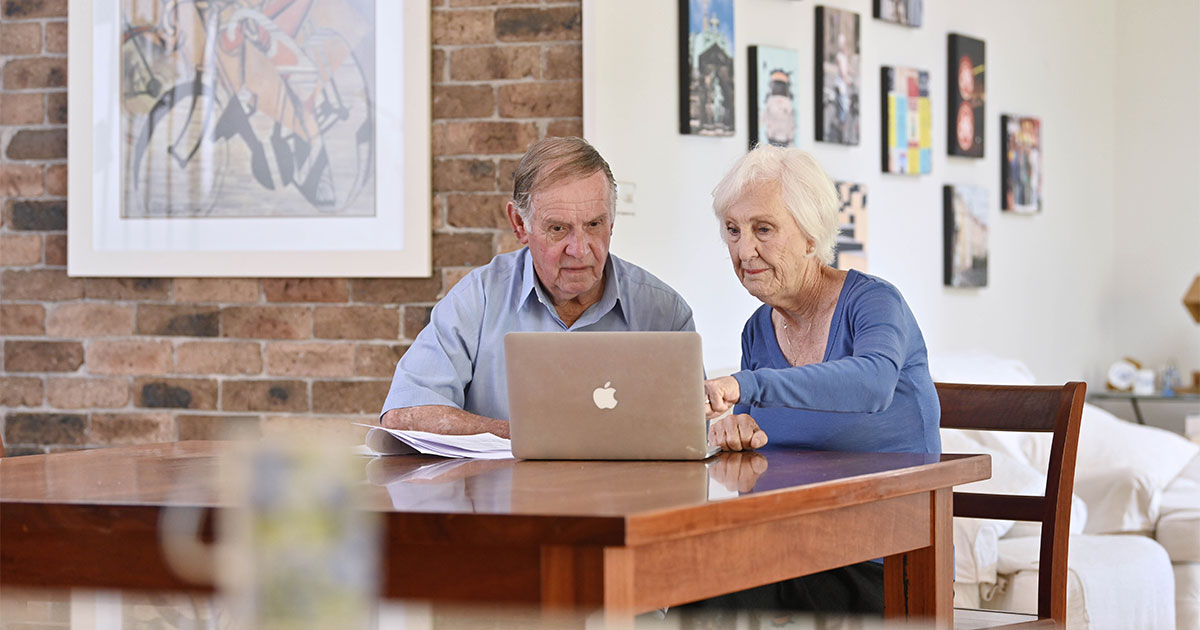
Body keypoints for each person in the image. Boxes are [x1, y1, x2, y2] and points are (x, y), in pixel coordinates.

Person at [695, 144, 941, 617]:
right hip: (793, 550)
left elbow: (871, 384)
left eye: (763, 229)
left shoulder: (873, 304)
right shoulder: (758, 330)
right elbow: (753, 452)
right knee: (696, 578)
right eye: (733, 231)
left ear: (810, 235)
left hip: (888, 562)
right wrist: (733, 433)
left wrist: (748, 386)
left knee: (720, 593)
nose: (744, 250)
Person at [380, 137, 696, 437]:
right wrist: (525, 437)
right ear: (520, 225)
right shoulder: (479, 299)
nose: (580, 249)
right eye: (558, 229)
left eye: (594, 225)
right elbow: (404, 415)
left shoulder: (665, 313)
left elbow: (691, 434)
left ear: (611, 222)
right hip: (503, 493)